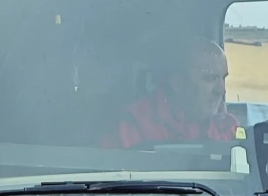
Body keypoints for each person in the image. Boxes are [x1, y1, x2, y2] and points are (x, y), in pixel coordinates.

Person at [105, 35, 245, 149]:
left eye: (223, 78)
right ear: (178, 83)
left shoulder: (227, 125)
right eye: (210, 78)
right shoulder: (133, 124)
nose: (221, 90)